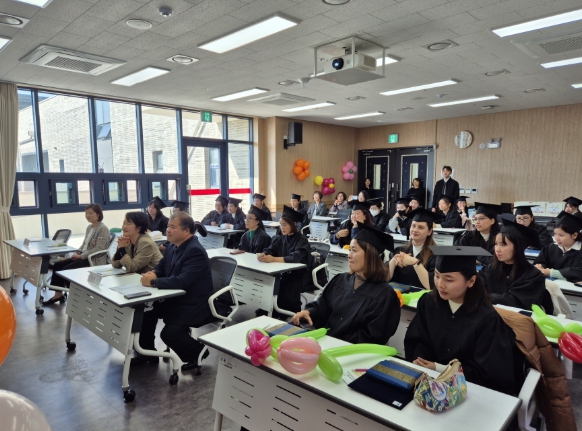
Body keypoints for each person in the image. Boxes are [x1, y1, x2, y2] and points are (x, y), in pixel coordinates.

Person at [404, 246, 517, 395]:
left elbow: (490, 373)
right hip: (425, 380)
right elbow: (416, 341)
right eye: (437, 276)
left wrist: (439, 368)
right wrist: (420, 364)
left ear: (471, 281)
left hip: (468, 390)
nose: (440, 284)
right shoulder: (428, 302)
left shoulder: (487, 319)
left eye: (449, 279)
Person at [292, 224, 400, 344]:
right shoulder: (340, 280)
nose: (349, 255)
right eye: (349, 250)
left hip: (351, 351)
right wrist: (308, 312)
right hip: (324, 343)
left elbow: (373, 337)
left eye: (354, 250)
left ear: (370, 255)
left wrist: (336, 342)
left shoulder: (384, 294)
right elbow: (321, 307)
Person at [136, 213, 214, 370]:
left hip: (193, 303)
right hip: (175, 299)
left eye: (172, 227)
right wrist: (153, 273)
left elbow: (182, 281)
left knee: (169, 333)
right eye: (168, 227)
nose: (168, 230)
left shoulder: (195, 251)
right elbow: (161, 267)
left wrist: (153, 282)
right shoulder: (172, 246)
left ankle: (198, 352)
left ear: (186, 231)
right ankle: (147, 354)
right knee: (145, 313)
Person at [43, 204, 110, 305]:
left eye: (90, 213)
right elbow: (84, 244)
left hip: (93, 259)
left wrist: (81, 256)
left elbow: (99, 248)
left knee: (67, 270)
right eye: (86, 213)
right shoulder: (89, 227)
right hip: (83, 256)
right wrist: (77, 252)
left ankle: (76, 297)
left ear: (98, 214)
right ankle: (58, 294)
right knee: (57, 265)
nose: (88, 215)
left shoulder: (103, 229)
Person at [481, 219, 550, 312]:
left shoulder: (533, 276)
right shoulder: (490, 269)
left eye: (503, 245)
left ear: (518, 247)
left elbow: (515, 301)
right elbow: (477, 288)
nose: (497, 249)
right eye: (496, 244)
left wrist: (485, 297)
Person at [259, 205, 312, 316]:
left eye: (285, 225)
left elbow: (295, 257)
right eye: (280, 224)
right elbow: (270, 249)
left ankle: (288, 311)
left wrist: (273, 259)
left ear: (293, 224)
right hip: (283, 270)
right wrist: (264, 254)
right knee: (269, 280)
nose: (282, 228)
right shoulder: (281, 238)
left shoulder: (301, 240)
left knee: (286, 284)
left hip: (298, 274)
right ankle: (271, 308)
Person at [388, 209, 441, 290]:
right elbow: (385, 278)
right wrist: (393, 261)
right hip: (398, 295)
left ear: (429, 232)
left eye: (420, 227)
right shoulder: (400, 250)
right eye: (413, 226)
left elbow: (431, 285)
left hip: (422, 297)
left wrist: (415, 263)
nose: (415, 230)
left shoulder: (436, 255)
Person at [534, 211, 582, 282]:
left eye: (561, 235)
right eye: (555, 234)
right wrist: (540, 266)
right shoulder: (551, 247)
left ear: (574, 235)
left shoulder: (580, 250)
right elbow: (542, 261)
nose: (557, 238)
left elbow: (579, 272)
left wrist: (552, 273)